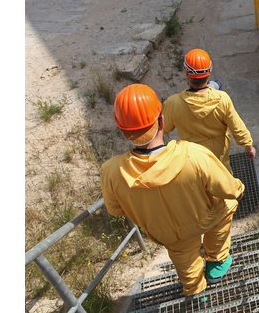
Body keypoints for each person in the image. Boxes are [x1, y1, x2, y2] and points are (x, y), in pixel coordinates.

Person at [101, 84, 245, 297]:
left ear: (122, 129)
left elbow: (116, 210)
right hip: (204, 219)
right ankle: (216, 260)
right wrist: (238, 189)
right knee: (229, 203)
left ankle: (195, 292)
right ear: (161, 120)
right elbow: (230, 189)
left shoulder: (112, 171)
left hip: (164, 232)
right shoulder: (193, 155)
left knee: (184, 259)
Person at [161, 49, 256, 173]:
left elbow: (162, 129)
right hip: (219, 159)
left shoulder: (173, 103)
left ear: (186, 72)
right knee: (224, 181)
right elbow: (237, 128)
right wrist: (248, 146)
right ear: (209, 72)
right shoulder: (222, 99)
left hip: (193, 161)